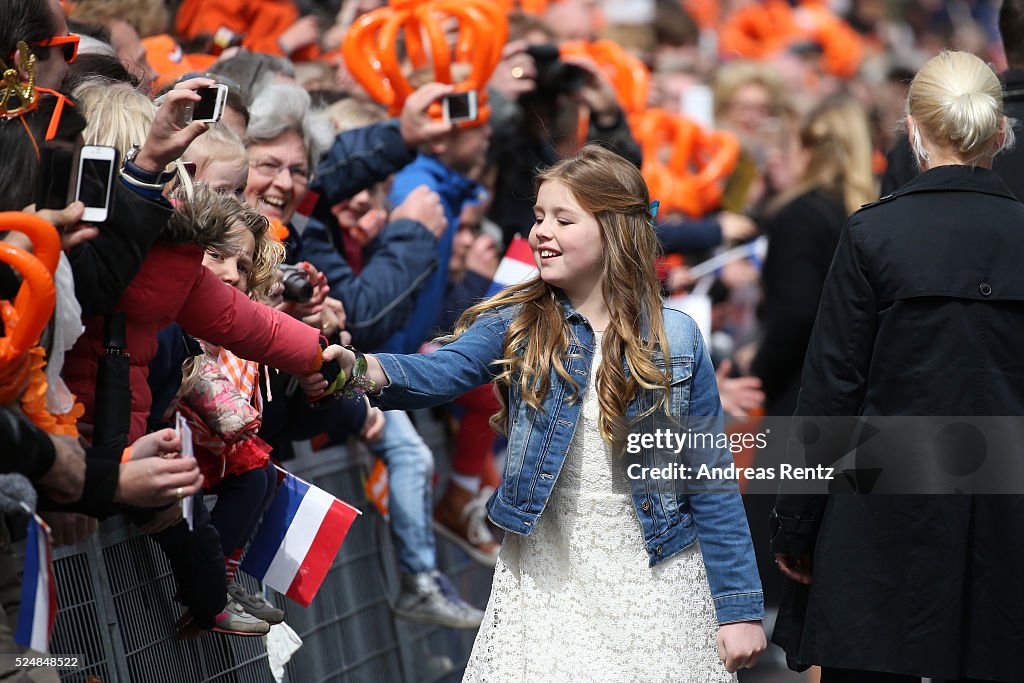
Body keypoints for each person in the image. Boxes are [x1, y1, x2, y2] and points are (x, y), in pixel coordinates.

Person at [303, 144, 766, 678]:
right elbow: (444, 371)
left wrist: (739, 609)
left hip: (656, 570)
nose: (541, 231)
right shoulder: (522, 320)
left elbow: (709, 479)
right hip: (549, 571)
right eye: (539, 216)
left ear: (615, 231)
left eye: (563, 219)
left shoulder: (677, 336)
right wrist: (362, 369)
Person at [771, 51, 1024, 683]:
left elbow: (830, 392)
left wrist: (797, 523)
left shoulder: (872, 235)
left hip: (883, 508)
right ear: (1000, 133)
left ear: (912, 131)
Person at [751, 95, 876, 417]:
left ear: (810, 150)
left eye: (791, 147)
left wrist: (757, 369)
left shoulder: (802, 214)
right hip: (859, 395)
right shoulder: (873, 214)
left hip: (803, 396)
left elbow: (797, 312)